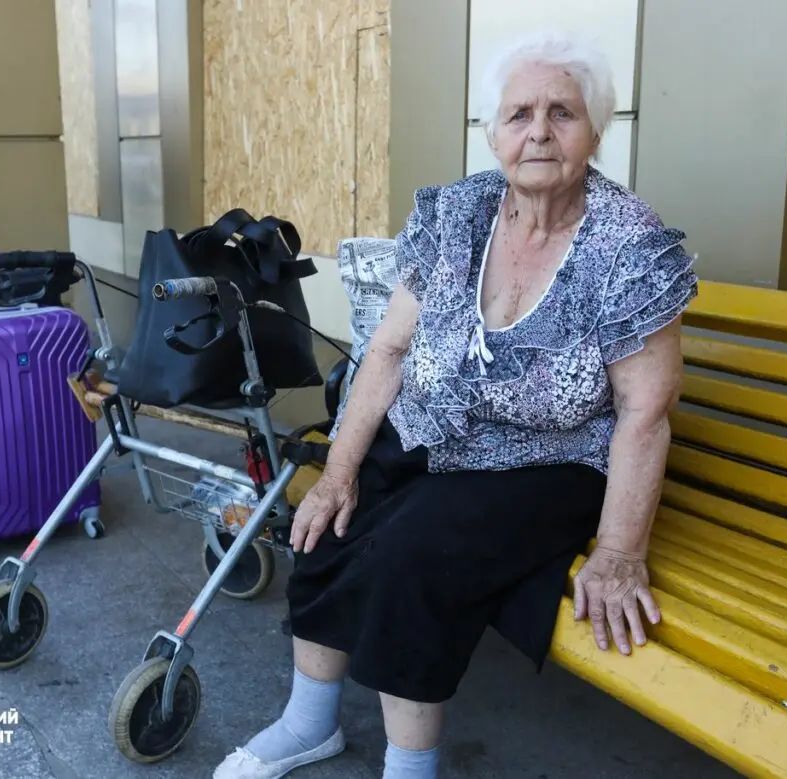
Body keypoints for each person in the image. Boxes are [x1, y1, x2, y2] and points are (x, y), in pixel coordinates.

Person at [214, 27, 698, 779]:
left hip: (547, 461)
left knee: (415, 554)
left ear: (595, 131)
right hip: (432, 430)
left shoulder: (628, 245)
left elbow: (644, 413)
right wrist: (340, 470)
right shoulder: (458, 214)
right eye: (519, 114)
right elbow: (389, 351)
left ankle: (410, 767)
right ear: (493, 133)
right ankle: (308, 723)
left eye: (562, 113)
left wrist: (619, 554)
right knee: (329, 518)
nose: (539, 131)